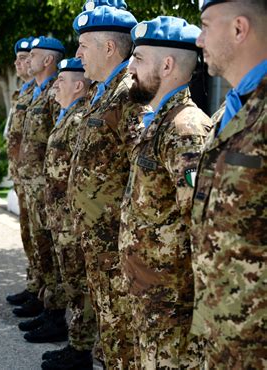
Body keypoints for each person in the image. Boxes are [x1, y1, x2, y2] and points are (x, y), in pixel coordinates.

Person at [119, 16, 212, 368]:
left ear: (168, 65)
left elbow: (198, 224)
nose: (129, 68)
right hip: (148, 293)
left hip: (170, 302)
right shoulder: (157, 120)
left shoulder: (185, 129)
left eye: (138, 58)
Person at [70, 5, 146, 367]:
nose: (77, 54)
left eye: (83, 46)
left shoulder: (129, 95)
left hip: (116, 241)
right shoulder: (103, 91)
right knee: (109, 330)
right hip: (97, 239)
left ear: (109, 49)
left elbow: (141, 170)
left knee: (123, 336)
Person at [191, 1, 266, 368]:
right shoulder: (228, 110)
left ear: (239, 29)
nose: (200, 39)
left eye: (205, 25)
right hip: (221, 332)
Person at [40, 57, 96, 370]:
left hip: (71, 221)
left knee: (78, 287)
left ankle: (80, 351)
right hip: (60, 219)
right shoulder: (67, 116)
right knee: (72, 284)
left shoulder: (78, 120)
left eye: (62, 81)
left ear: (78, 85)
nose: (55, 86)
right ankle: (75, 345)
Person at [16, 36, 68, 343]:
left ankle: (53, 313)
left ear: (48, 59)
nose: (27, 59)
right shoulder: (37, 92)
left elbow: (56, 143)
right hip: (30, 182)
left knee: (49, 250)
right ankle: (42, 298)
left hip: (44, 186)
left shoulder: (53, 94)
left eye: (33, 55)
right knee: (36, 243)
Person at [5, 37, 42, 307]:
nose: (19, 63)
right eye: (18, 58)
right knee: (29, 234)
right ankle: (35, 284)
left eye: (25, 58)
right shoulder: (25, 91)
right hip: (23, 176)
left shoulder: (47, 90)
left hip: (39, 179)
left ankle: (44, 294)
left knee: (41, 237)